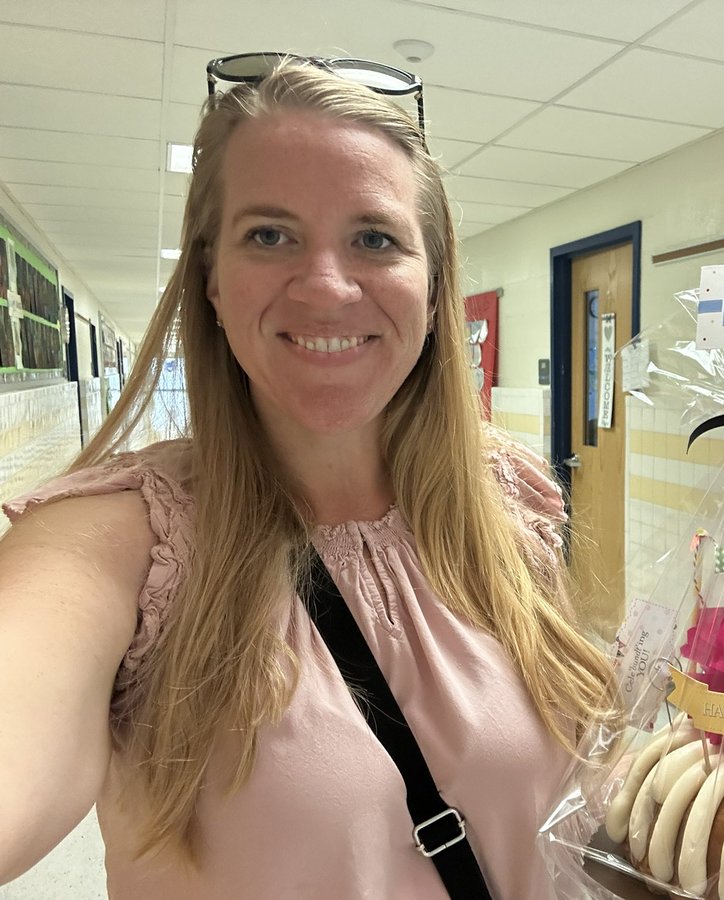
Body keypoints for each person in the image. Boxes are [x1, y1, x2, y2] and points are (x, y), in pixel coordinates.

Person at [0, 57, 615, 899]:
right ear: (211, 280)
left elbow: (565, 814)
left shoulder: (504, 503)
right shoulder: (115, 544)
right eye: (269, 235)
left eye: (375, 238)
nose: (327, 287)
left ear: (434, 287)